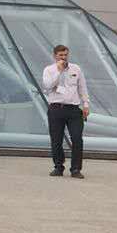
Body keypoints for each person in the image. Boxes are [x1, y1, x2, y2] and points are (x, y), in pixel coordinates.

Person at [42, 43, 90, 179]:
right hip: (56, 108)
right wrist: (59, 71)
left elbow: (82, 87)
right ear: (55, 56)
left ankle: (76, 169)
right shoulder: (49, 70)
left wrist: (86, 104)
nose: (63, 57)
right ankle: (58, 166)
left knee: (77, 138)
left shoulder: (76, 69)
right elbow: (47, 86)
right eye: (60, 55)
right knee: (56, 139)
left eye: (65, 55)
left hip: (73, 109)